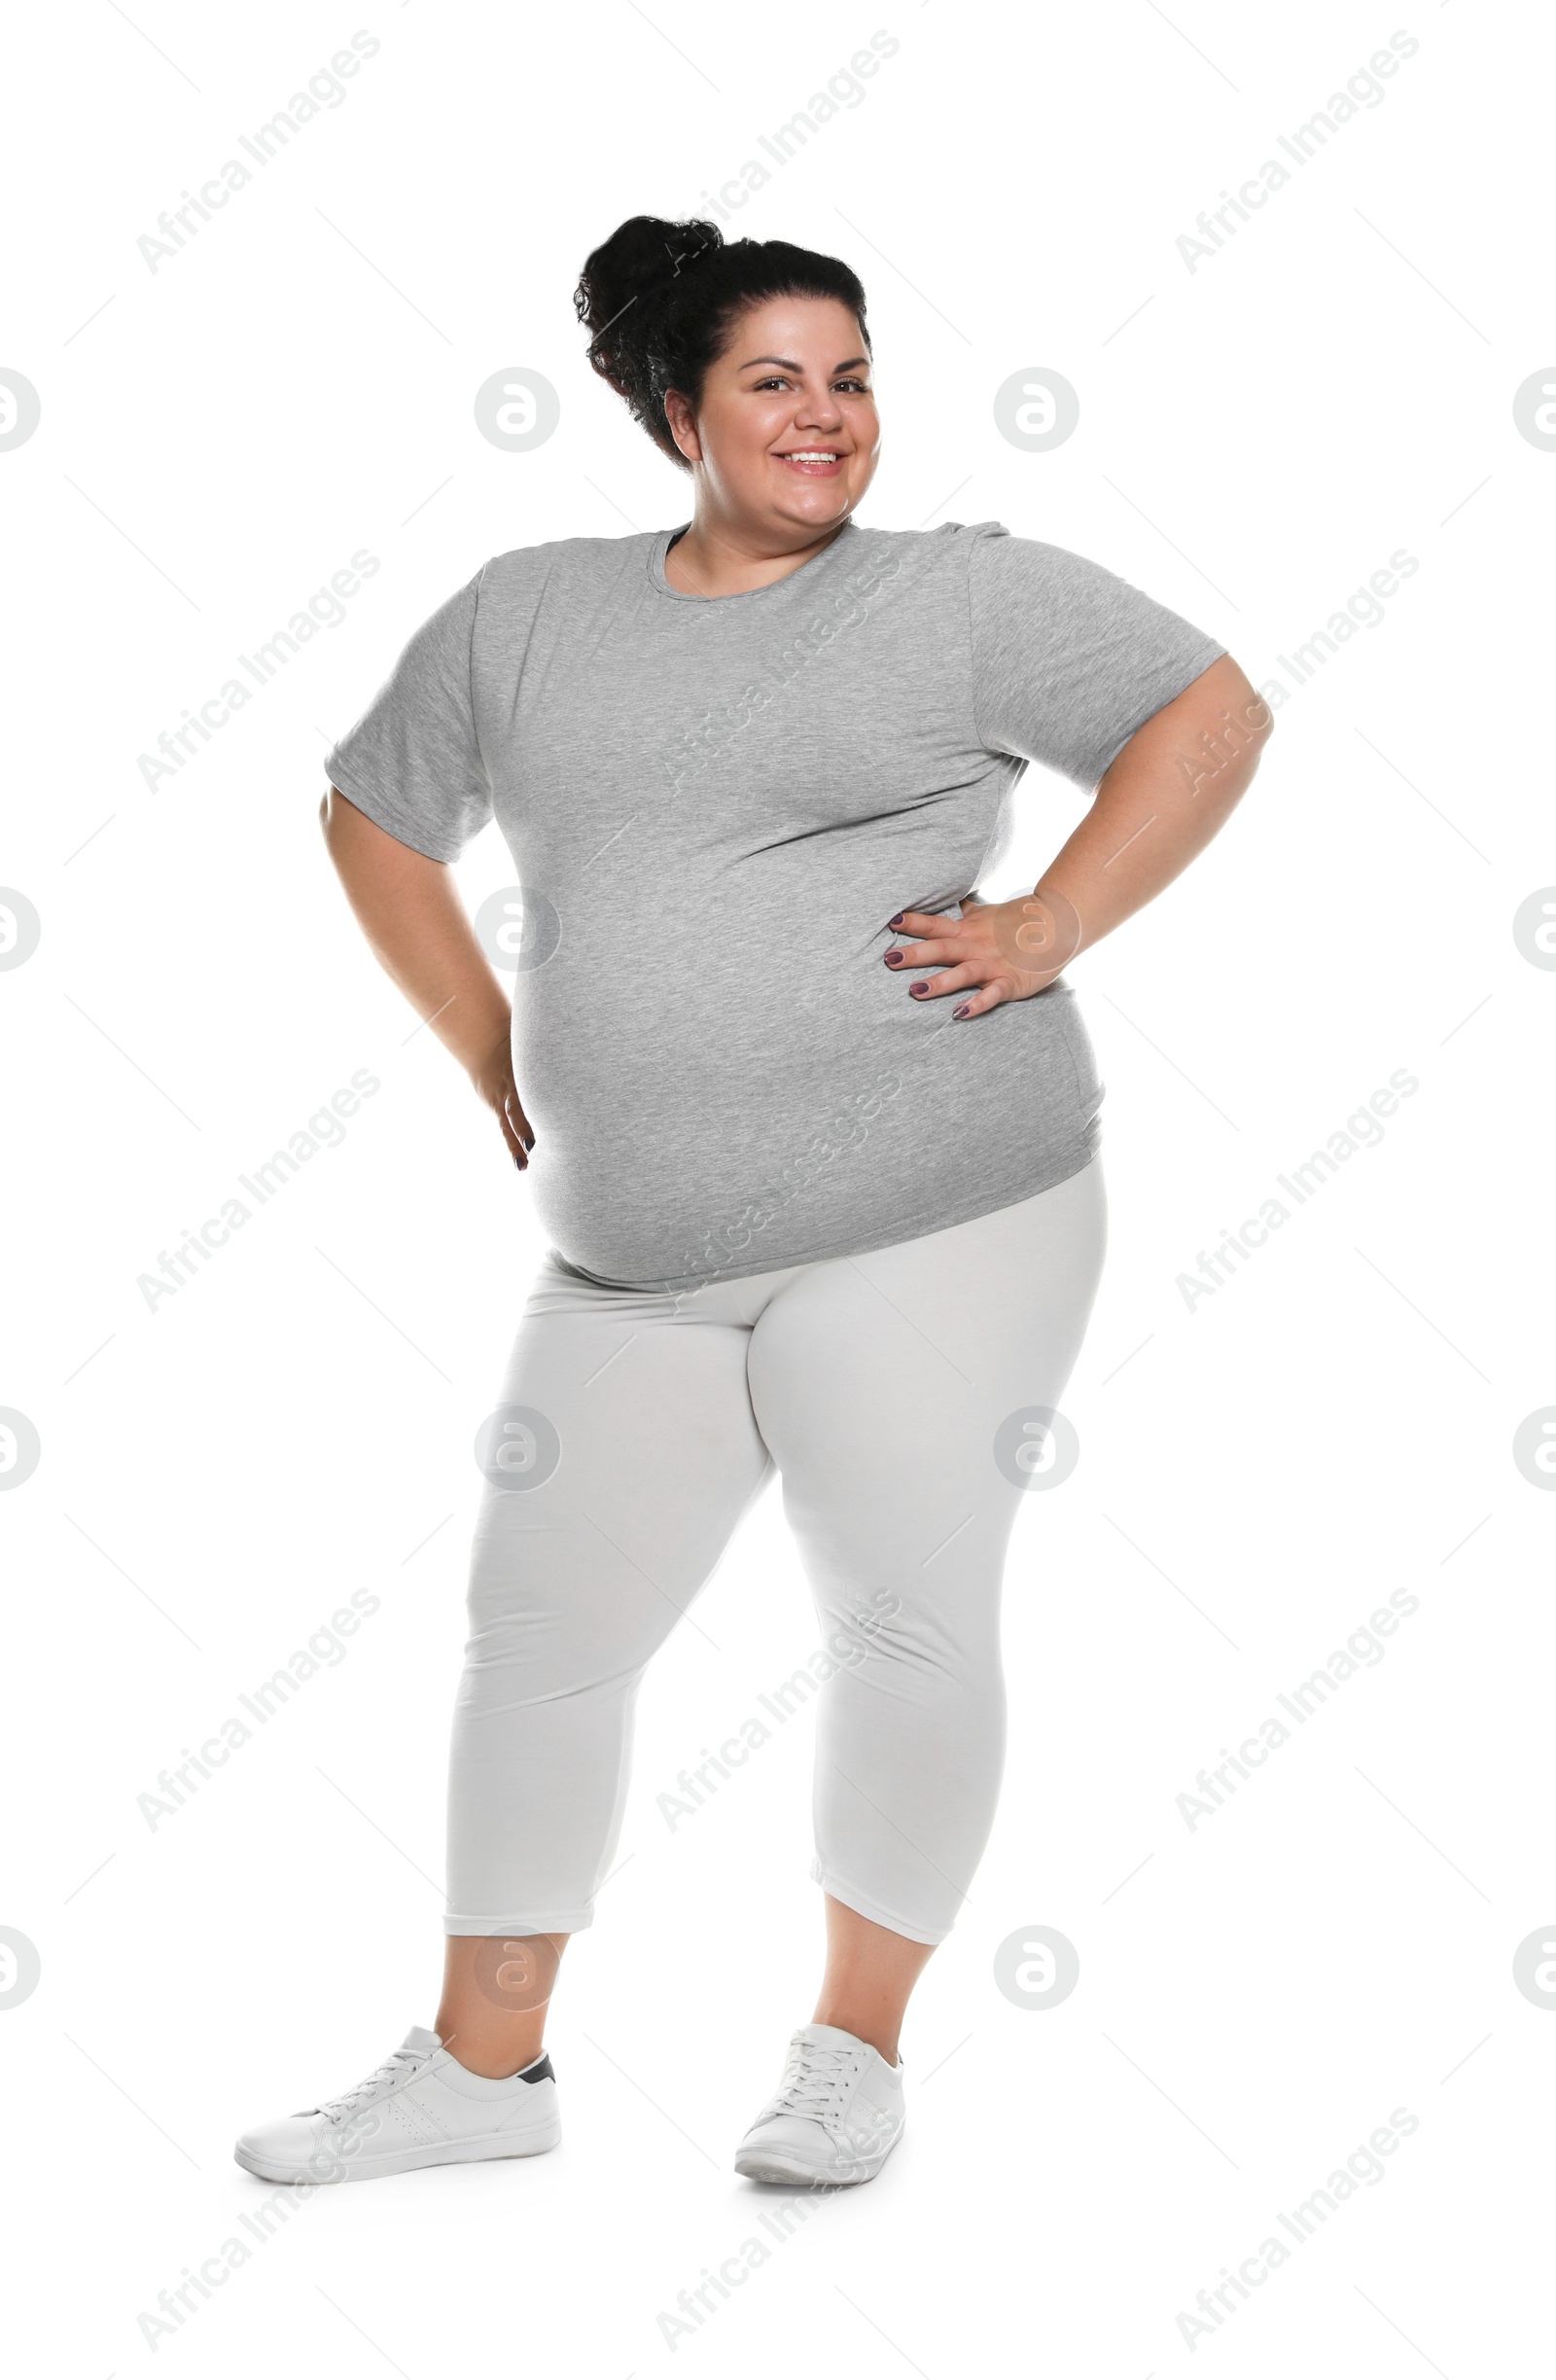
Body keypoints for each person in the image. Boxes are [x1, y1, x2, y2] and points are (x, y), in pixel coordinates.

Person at [234, 214, 1271, 2192]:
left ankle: (849, 2053)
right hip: (626, 1259)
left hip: (936, 1208)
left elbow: (1208, 714)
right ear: (671, 410)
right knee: (535, 1635)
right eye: (775, 379)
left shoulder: (961, 600)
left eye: (853, 372)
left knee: (896, 1613)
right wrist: (487, 1046)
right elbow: (372, 815)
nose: (828, 415)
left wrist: (1048, 919)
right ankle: (481, 2072)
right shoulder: (525, 611)